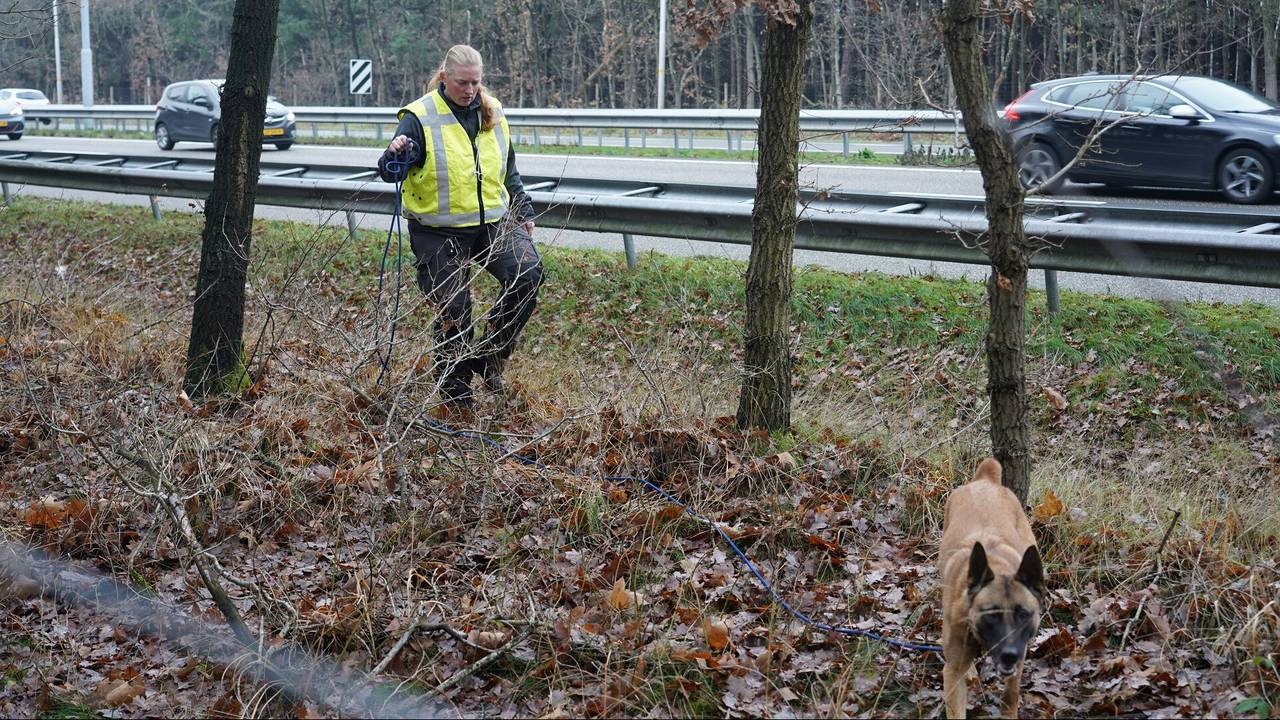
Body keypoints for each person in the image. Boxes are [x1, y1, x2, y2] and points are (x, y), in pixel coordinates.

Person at [377, 44, 543, 411]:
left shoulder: (493, 110)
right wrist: (394, 154)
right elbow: (390, 171)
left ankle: (489, 358)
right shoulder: (419, 117)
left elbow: (508, 168)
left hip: (491, 222)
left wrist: (523, 208)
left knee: (527, 274)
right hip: (437, 228)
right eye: (462, 83)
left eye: (476, 83)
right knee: (455, 307)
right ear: (444, 77)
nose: (470, 90)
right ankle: (455, 392)